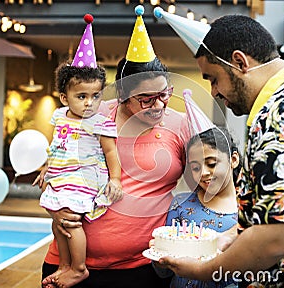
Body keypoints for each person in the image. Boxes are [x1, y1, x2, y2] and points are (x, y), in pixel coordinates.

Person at [156, 13, 284, 287]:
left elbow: (276, 238)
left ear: (239, 62)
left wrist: (204, 270)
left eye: (213, 79)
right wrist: (229, 239)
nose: (213, 92)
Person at [37, 6, 191, 288]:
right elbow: (60, 152)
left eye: (164, 94)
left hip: (142, 268)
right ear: (122, 94)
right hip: (68, 262)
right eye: (145, 98)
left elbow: (208, 178)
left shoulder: (181, 125)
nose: (158, 105)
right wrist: (54, 200)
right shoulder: (92, 114)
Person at [39, 61, 123, 288]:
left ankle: (78, 267)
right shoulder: (59, 117)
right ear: (65, 98)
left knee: (72, 223)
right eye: (82, 96)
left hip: (82, 179)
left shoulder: (100, 123)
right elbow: (56, 144)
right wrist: (47, 166)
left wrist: (115, 179)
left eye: (95, 96)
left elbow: (111, 152)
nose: (89, 102)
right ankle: (65, 265)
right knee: (58, 224)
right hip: (61, 177)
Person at [154, 127, 241, 288]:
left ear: (233, 160)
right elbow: (164, 272)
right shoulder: (181, 204)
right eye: (195, 167)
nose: (204, 173)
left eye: (212, 163)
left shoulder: (248, 208)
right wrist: (159, 259)